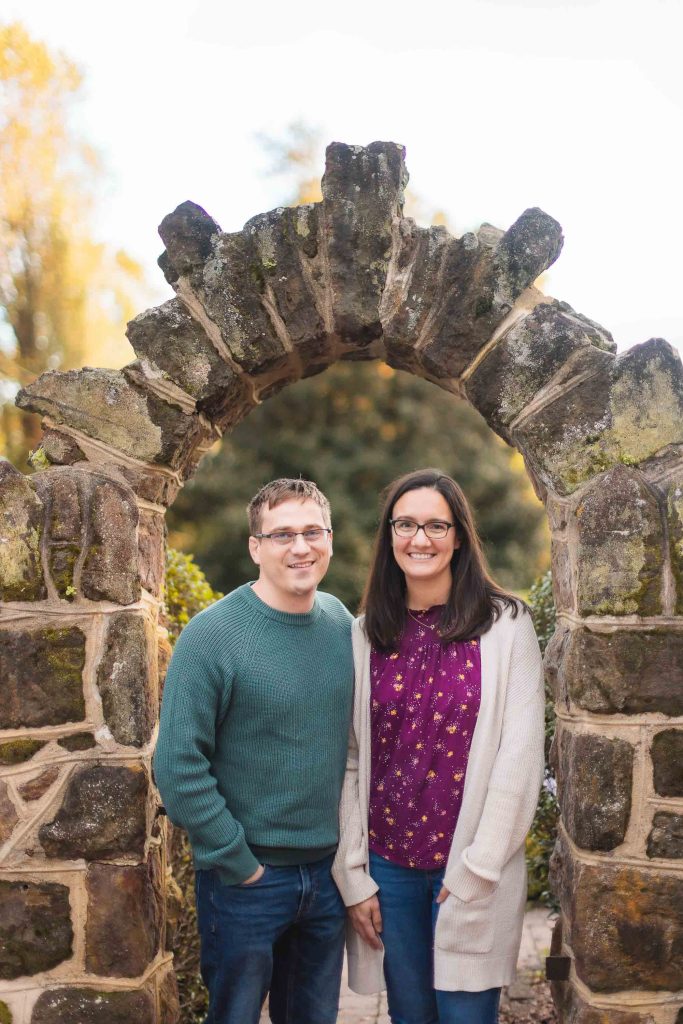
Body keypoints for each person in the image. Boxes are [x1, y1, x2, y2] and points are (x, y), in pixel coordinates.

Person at [332, 468, 545, 1024]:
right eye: (405, 524)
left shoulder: (506, 626)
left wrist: (477, 869)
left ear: (458, 536)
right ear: (389, 536)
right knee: (409, 1014)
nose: (419, 538)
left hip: (471, 867)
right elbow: (350, 761)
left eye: (435, 525)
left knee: (466, 1016)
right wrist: (353, 876)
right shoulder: (363, 634)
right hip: (389, 868)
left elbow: (519, 759)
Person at [154, 478, 354, 1024]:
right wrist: (238, 864)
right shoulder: (211, 637)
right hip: (245, 881)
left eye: (312, 532)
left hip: (326, 875)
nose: (300, 547)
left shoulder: (341, 625)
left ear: (329, 540)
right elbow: (177, 766)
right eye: (282, 534)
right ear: (255, 546)